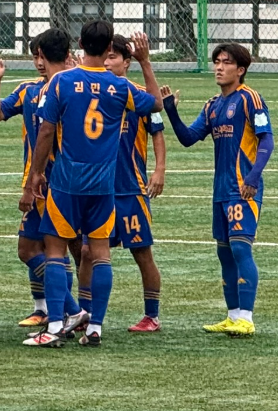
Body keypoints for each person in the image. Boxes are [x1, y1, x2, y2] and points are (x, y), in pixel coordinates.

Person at [28, 21, 162, 348]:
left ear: (80, 43)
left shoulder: (62, 81)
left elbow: (46, 131)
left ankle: (56, 325)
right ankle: (95, 327)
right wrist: (145, 62)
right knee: (101, 254)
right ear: (108, 50)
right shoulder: (120, 86)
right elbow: (156, 103)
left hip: (66, 182)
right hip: (104, 184)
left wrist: (36, 173)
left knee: (56, 251)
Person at [161, 43, 273, 337]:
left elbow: (267, 141)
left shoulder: (251, 99)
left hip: (242, 189)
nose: (219, 67)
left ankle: (246, 317)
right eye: (217, 62)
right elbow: (188, 138)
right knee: (224, 254)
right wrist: (171, 110)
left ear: (241, 70)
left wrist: (252, 177)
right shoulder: (212, 105)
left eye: (226, 63)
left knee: (240, 248)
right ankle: (233, 316)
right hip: (220, 191)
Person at [0, 33, 87, 338]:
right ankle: (67, 312)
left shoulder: (70, 89)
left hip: (58, 182)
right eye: (34, 57)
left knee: (67, 249)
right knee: (30, 248)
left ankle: (73, 313)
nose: (38, 63)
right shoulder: (27, 91)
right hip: (41, 183)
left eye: (41, 56)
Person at [77, 34, 167, 333]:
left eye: (113, 57)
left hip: (130, 189)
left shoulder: (138, 93)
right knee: (89, 252)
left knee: (142, 252)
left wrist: (159, 170)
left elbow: (157, 129)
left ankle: (152, 315)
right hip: (100, 188)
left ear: (126, 62)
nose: (107, 62)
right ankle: (84, 313)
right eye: (106, 56)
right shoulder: (92, 91)